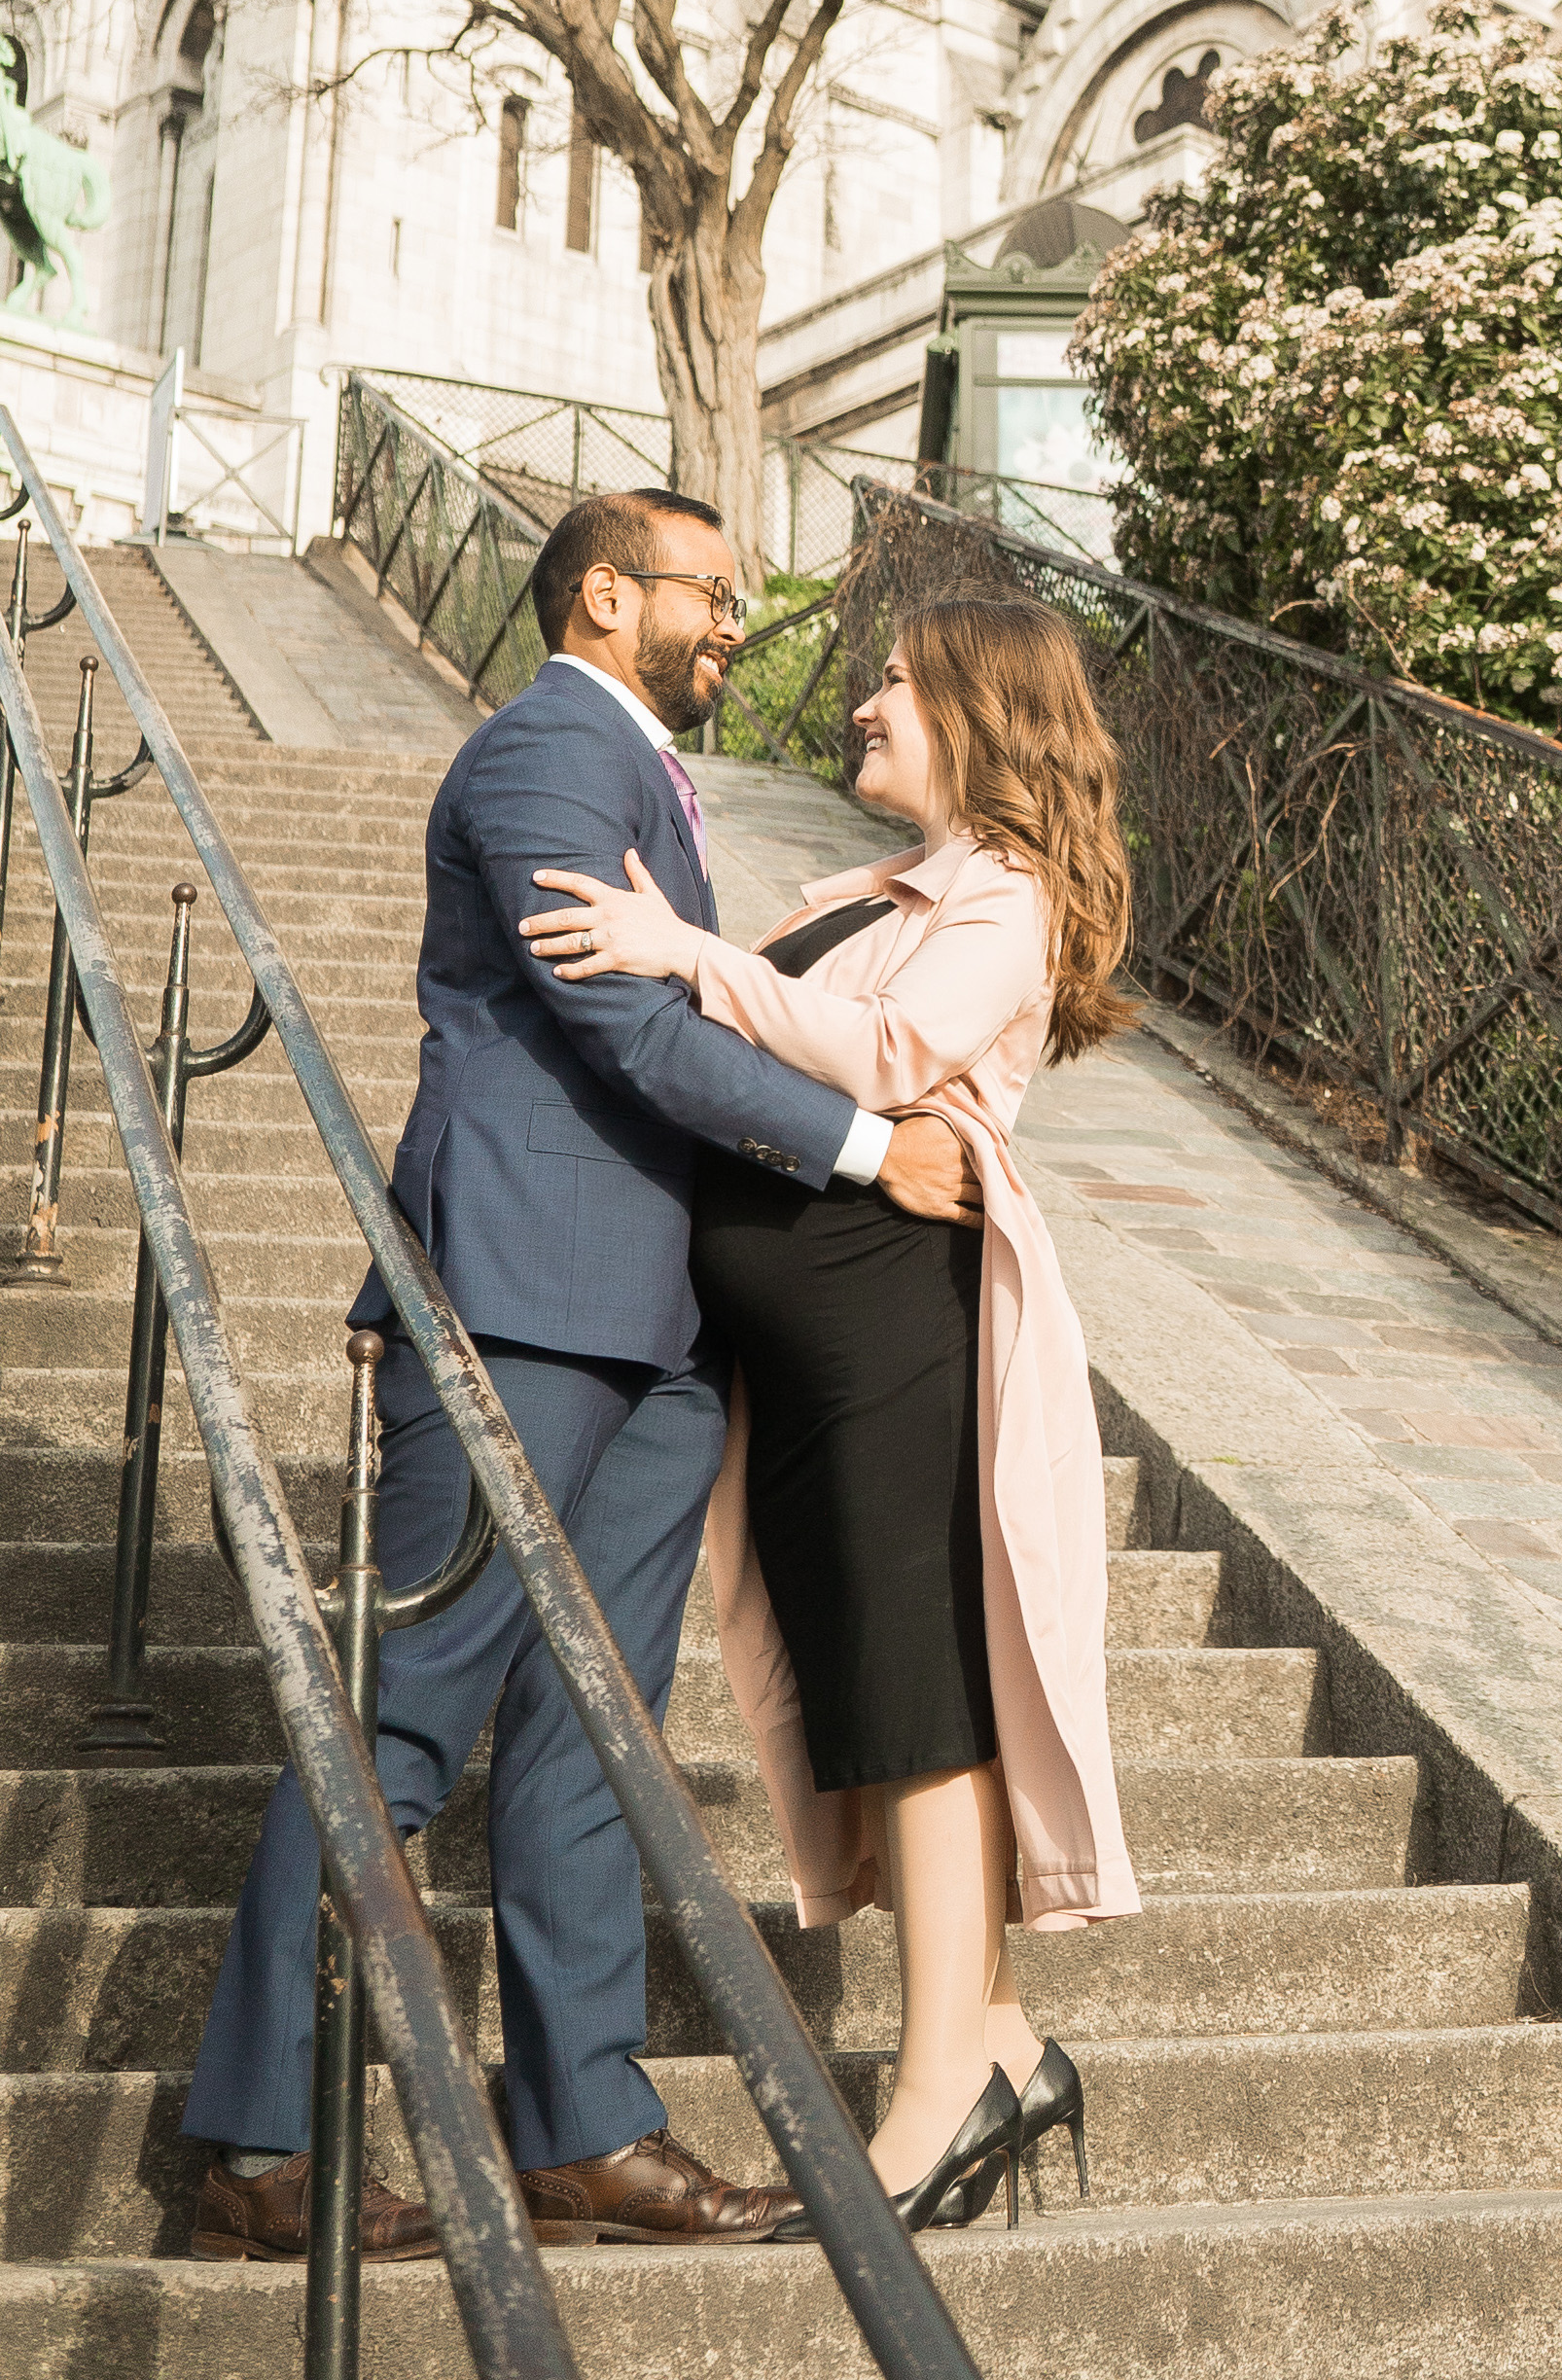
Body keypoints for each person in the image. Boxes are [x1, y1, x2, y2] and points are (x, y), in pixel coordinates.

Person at [185, 490, 973, 2262]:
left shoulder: (647, 780)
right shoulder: (546, 748)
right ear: (609, 597)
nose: (740, 626)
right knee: (404, 1717)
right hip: (524, 1301)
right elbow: (619, 1019)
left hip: (652, 1333)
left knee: (590, 1737)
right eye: (716, 594)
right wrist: (861, 1147)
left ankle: (586, 2131)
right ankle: (251, 2138)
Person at [519, 588, 1141, 2237]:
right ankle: (1002, 2045)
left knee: (914, 1701)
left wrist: (686, 950)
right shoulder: (876, 886)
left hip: (891, 1329)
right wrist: (691, 942)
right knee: (880, 1693)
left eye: (891, 682)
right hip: (808, 1351)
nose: (863, 704)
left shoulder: (1005, 891)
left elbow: (884, 1052)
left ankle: (935, 2096)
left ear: (979, 713)